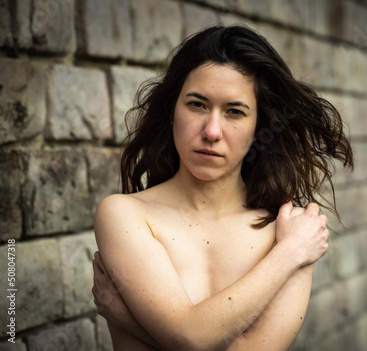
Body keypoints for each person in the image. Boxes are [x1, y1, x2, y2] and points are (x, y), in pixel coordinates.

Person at [92, 25, 353, 351]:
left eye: (234, 112)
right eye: (197, 105)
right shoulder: (125, 215)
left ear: (259, 126)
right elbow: (189, 337)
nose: (212, 131)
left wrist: (128, 319)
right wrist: (289, 255)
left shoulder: (288, 230)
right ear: (172, 110)